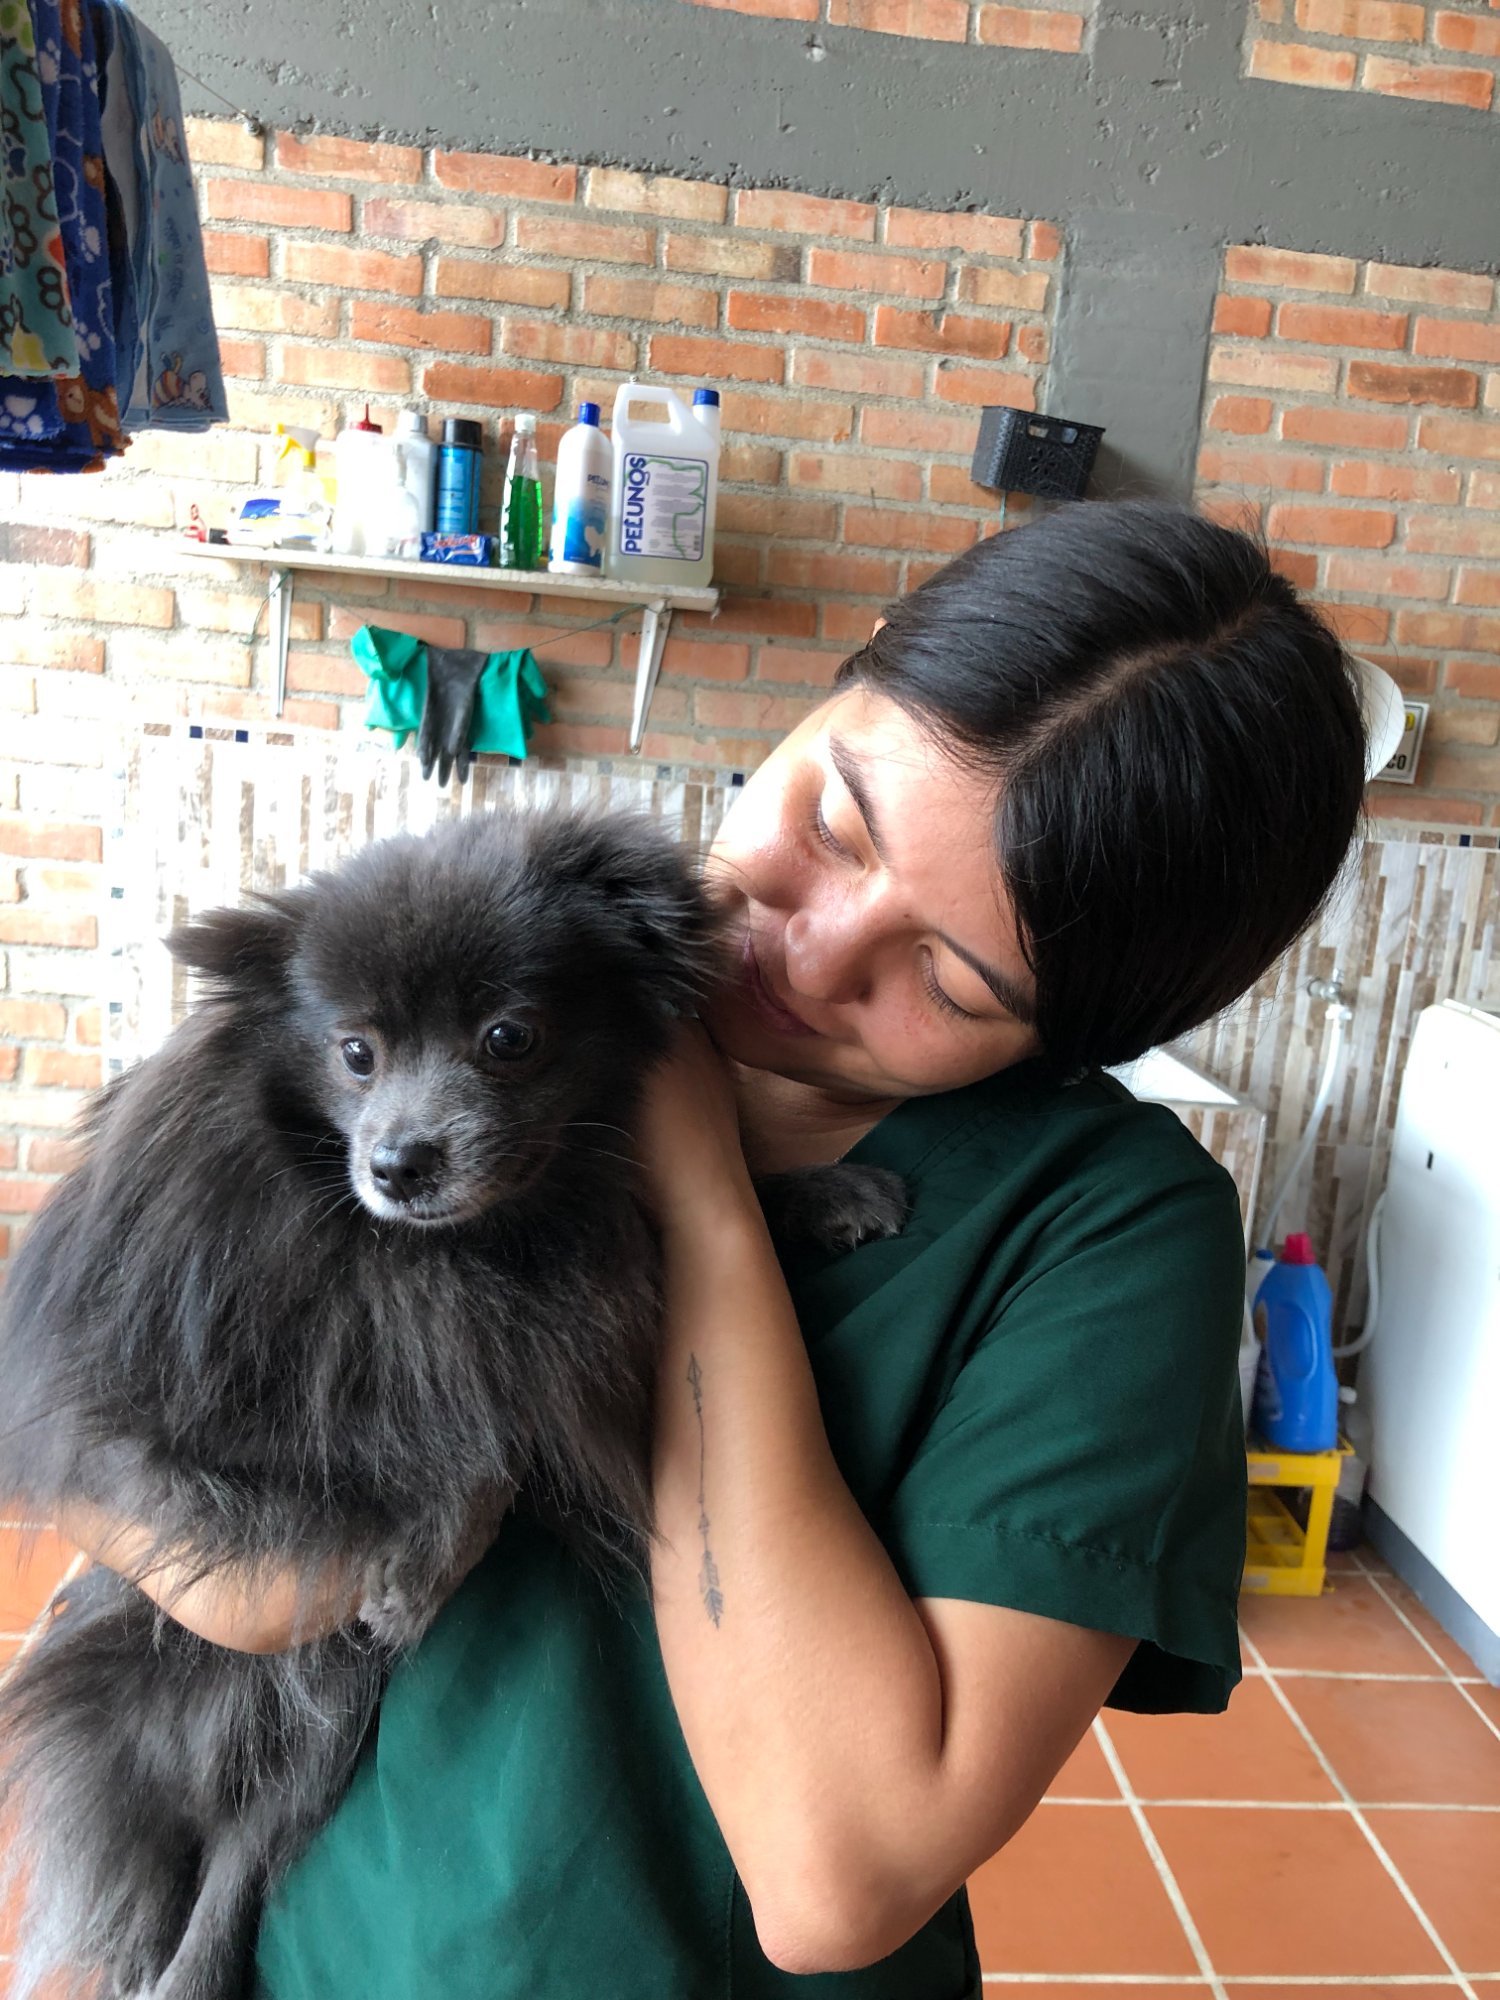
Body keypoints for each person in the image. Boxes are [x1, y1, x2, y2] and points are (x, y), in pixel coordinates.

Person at [64, 500, 1369, 1998]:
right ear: (850, 672)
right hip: (310, 1948)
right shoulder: (474, 949)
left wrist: (698, 1197)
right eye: (832, 822)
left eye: (941, 982)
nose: (806, 957)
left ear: (1081, 1032)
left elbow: (837, 1879)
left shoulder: (1107, 1234)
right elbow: (79, 1382)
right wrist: (220, 1566)